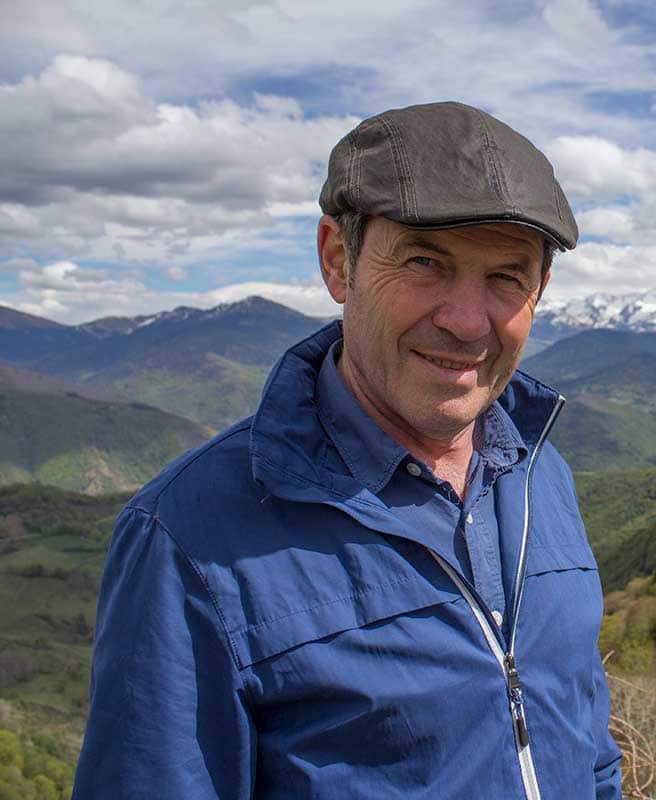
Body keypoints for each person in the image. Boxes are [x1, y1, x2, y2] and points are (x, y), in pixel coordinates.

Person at [73, 101, 623, 799]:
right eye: (425, 262)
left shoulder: (542, 474)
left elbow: (587, 746)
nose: (464, 320)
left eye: (506, 277)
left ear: (539, 290)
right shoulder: (188, 540)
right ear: (340, 261)